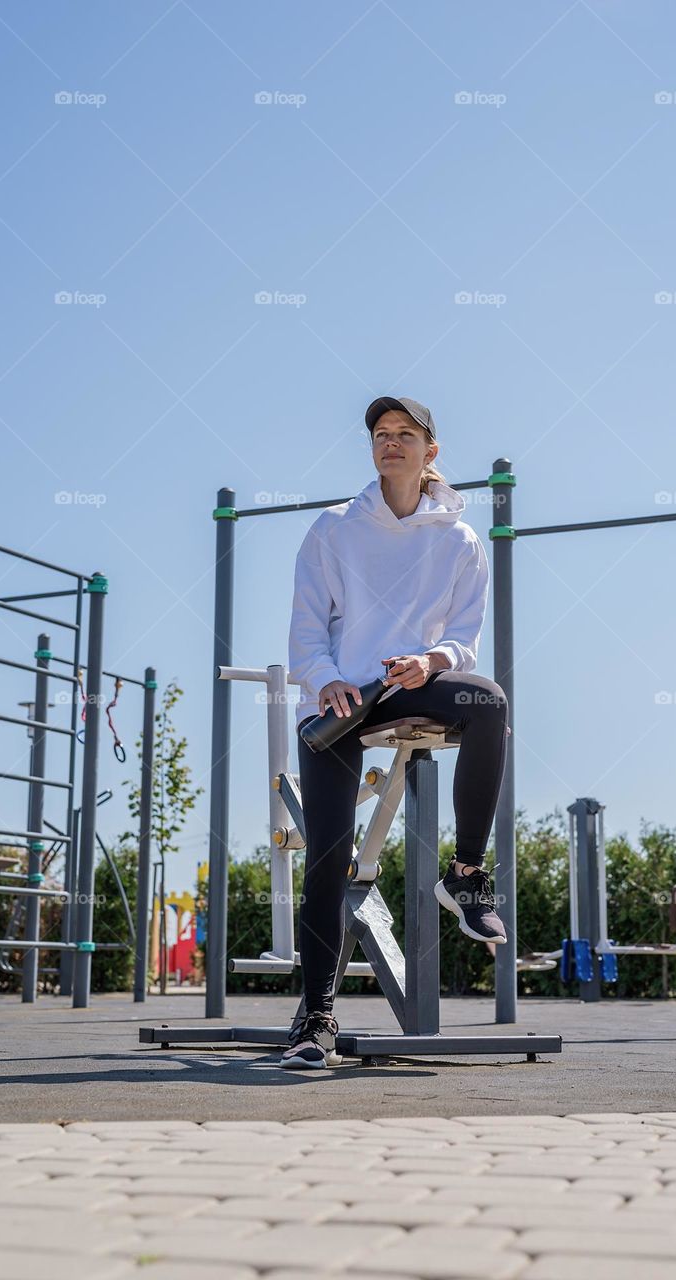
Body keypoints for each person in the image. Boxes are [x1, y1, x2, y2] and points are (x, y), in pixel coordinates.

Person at [282, 395, 510, 1068]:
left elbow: (464, 639)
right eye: (381, 435)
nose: (391, 444)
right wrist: (324, 677)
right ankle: (315, 1019)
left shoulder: (460, 540)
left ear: (430, 452)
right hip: (342, 698)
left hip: (411, 682)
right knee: (328, 858)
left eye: (405, 435)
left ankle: (465, 874)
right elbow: (304, 628)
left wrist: (431, 661)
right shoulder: (333, 529)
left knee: (489, 702)